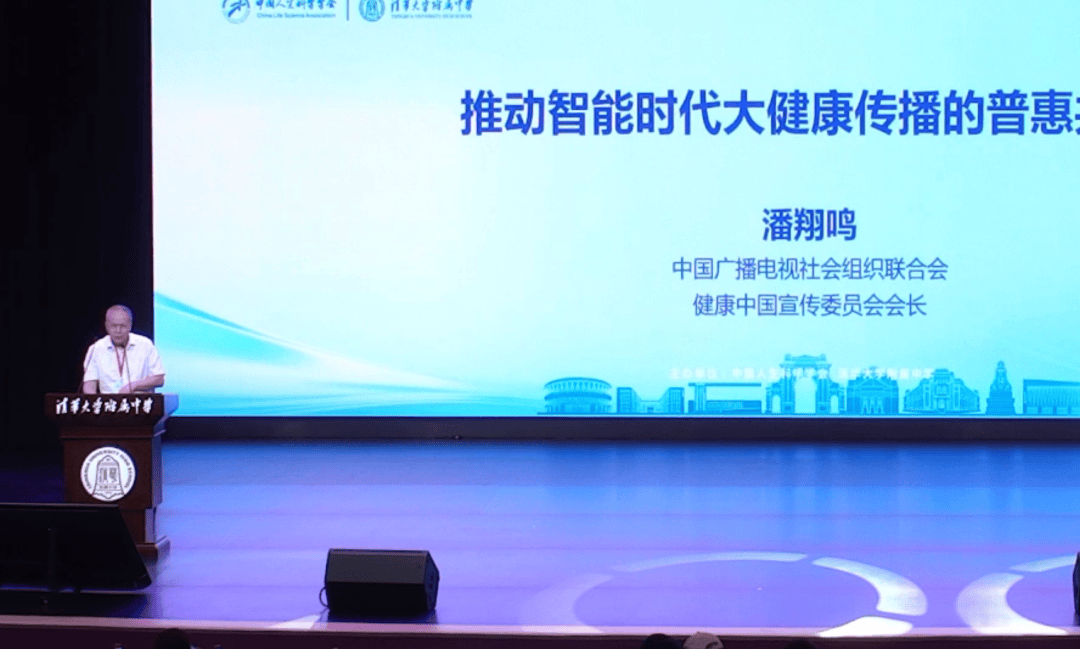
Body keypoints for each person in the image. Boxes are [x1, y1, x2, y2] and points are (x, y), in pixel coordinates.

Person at [82, 305, 165, 394]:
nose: (118, 331)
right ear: (107, 326)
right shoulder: (96, 348)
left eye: (123, 326)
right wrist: (94, 400)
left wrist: (134, 386)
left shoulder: (145, 345)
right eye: (114, 326)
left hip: (138, 401)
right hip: (109, 402)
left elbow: (159, 379)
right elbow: (89, 385)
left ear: (130, 325)